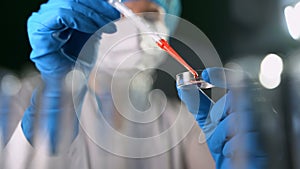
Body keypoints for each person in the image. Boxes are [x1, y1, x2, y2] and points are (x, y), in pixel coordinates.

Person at [3, 0, 215, 169]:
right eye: (123, 14)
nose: (136, 28)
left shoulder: (180, 126)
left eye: (149, 16)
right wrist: (58, 95)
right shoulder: (17, 100)